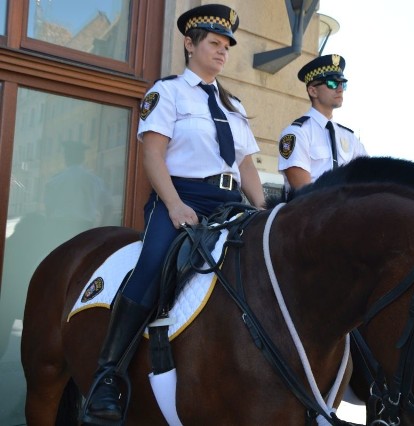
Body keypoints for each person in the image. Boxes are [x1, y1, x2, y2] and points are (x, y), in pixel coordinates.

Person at [81, 4, 265, 424]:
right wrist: (174, 204)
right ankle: (106, 376)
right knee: (153, 263)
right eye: (214, 43)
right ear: (189, 43)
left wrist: (263, 210)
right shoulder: (167, 92)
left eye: (226, 46)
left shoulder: (233, 105)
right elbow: (153, 154)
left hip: (230, 203)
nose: (222, 52)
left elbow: (247, 166)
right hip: (181, 195)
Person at [278, 54, 367, 196]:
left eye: (343, 84)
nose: (340, 89)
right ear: (313, 90)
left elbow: (367, 181)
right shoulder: (296, 133)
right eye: (332, 83)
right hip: (308, 213)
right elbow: (304, 192)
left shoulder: (350, 138)